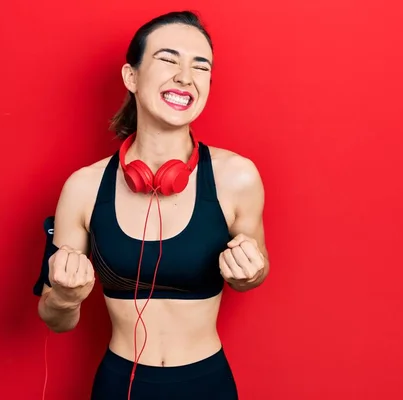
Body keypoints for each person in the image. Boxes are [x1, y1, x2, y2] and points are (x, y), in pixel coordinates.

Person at [34, 10, 269, 400]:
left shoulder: (237, 177)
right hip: (119, 384)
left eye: (201, 65)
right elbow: (55, 319)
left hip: (206, 384)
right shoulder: (84, 187)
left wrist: (251, 274)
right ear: (131, 76)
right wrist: (65, 297)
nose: (185, 76)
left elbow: (259, 268)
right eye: (167, 59)